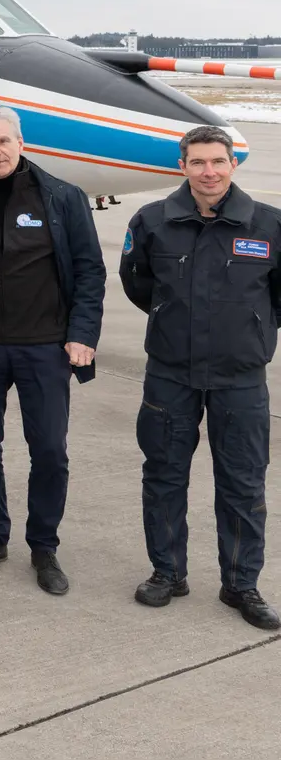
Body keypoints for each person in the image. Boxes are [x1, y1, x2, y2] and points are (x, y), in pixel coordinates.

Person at [0, 104, 105, 596]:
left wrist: (83, 334)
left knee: (49, 449)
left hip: (44, 346)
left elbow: (91, 272)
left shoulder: (62, 197)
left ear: (20, 142)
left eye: (2, 141)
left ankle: (44, 546)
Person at [120, 125, 281, 630]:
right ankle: (167, 573)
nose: (208, 171)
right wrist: (173, 319)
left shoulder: (269, 224)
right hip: (171, 374)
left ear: (233, 164)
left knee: (242, 483)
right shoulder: (152, 221)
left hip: (241, 379)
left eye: (218, 161)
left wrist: (250, 332)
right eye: (197, 162)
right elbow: (137, 282)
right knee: (164, 476)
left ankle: (240, 584)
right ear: (182, 166)